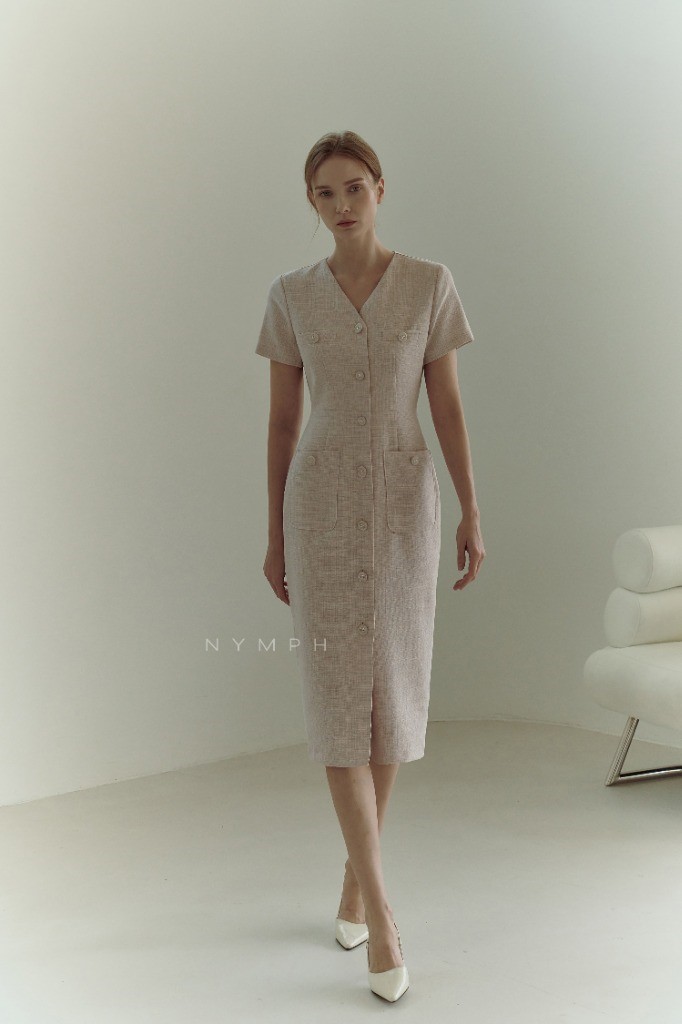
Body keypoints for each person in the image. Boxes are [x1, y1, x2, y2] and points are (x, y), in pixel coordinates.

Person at [255, 130, 485, 1002]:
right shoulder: (290, 297)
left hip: (405, 508)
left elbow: (447, 404)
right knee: (336, 701)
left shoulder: (429, 284)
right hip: (318, 506)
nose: (342, 204)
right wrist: (274, 533)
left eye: (355, 187)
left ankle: (356, 878)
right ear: (311, 203)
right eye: (326, 193)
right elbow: (282, 422)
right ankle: (383, 914)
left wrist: (472, 508)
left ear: (380, 189)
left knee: (391, 694)